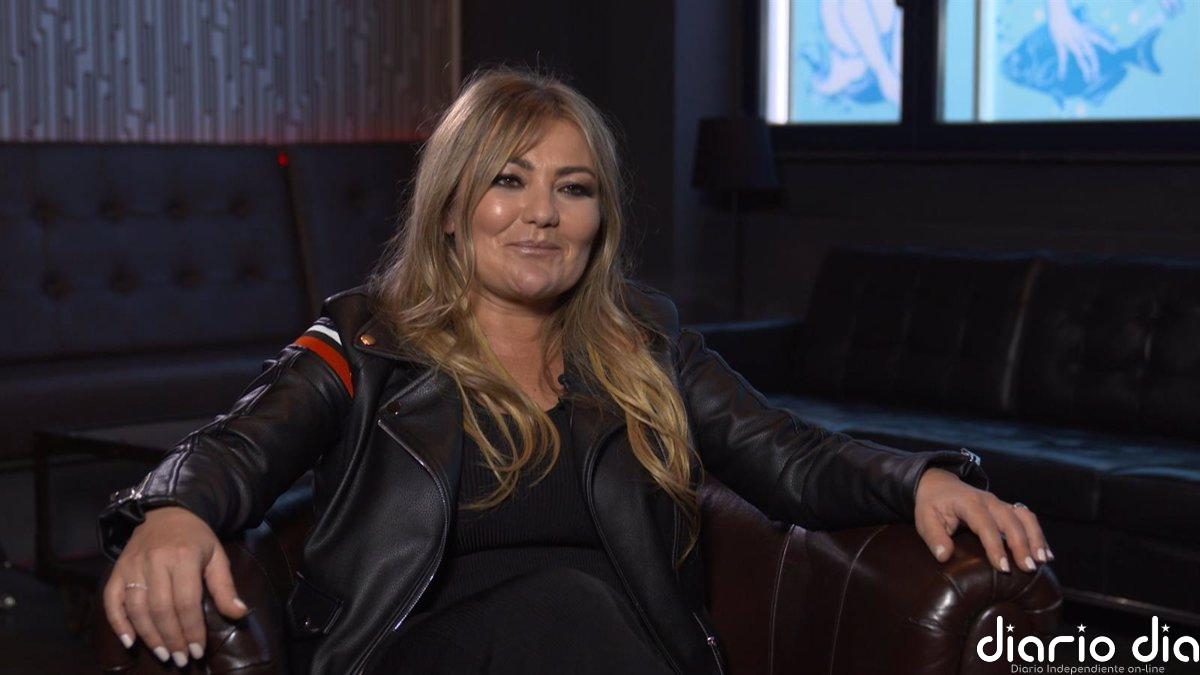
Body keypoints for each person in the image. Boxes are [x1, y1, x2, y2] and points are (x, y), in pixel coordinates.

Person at [97, 66, 1052, 674]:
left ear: (600, 220)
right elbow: (238, 445)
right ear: (451, 208)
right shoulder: (365, 339)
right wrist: (171, 511)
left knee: (581, 608)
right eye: (507, 180)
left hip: (616, 651)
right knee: (566, 599)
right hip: (410, 653)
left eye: (574, 188)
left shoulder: (646, 346)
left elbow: (786, 455)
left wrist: (918, 478)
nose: (542, 214)